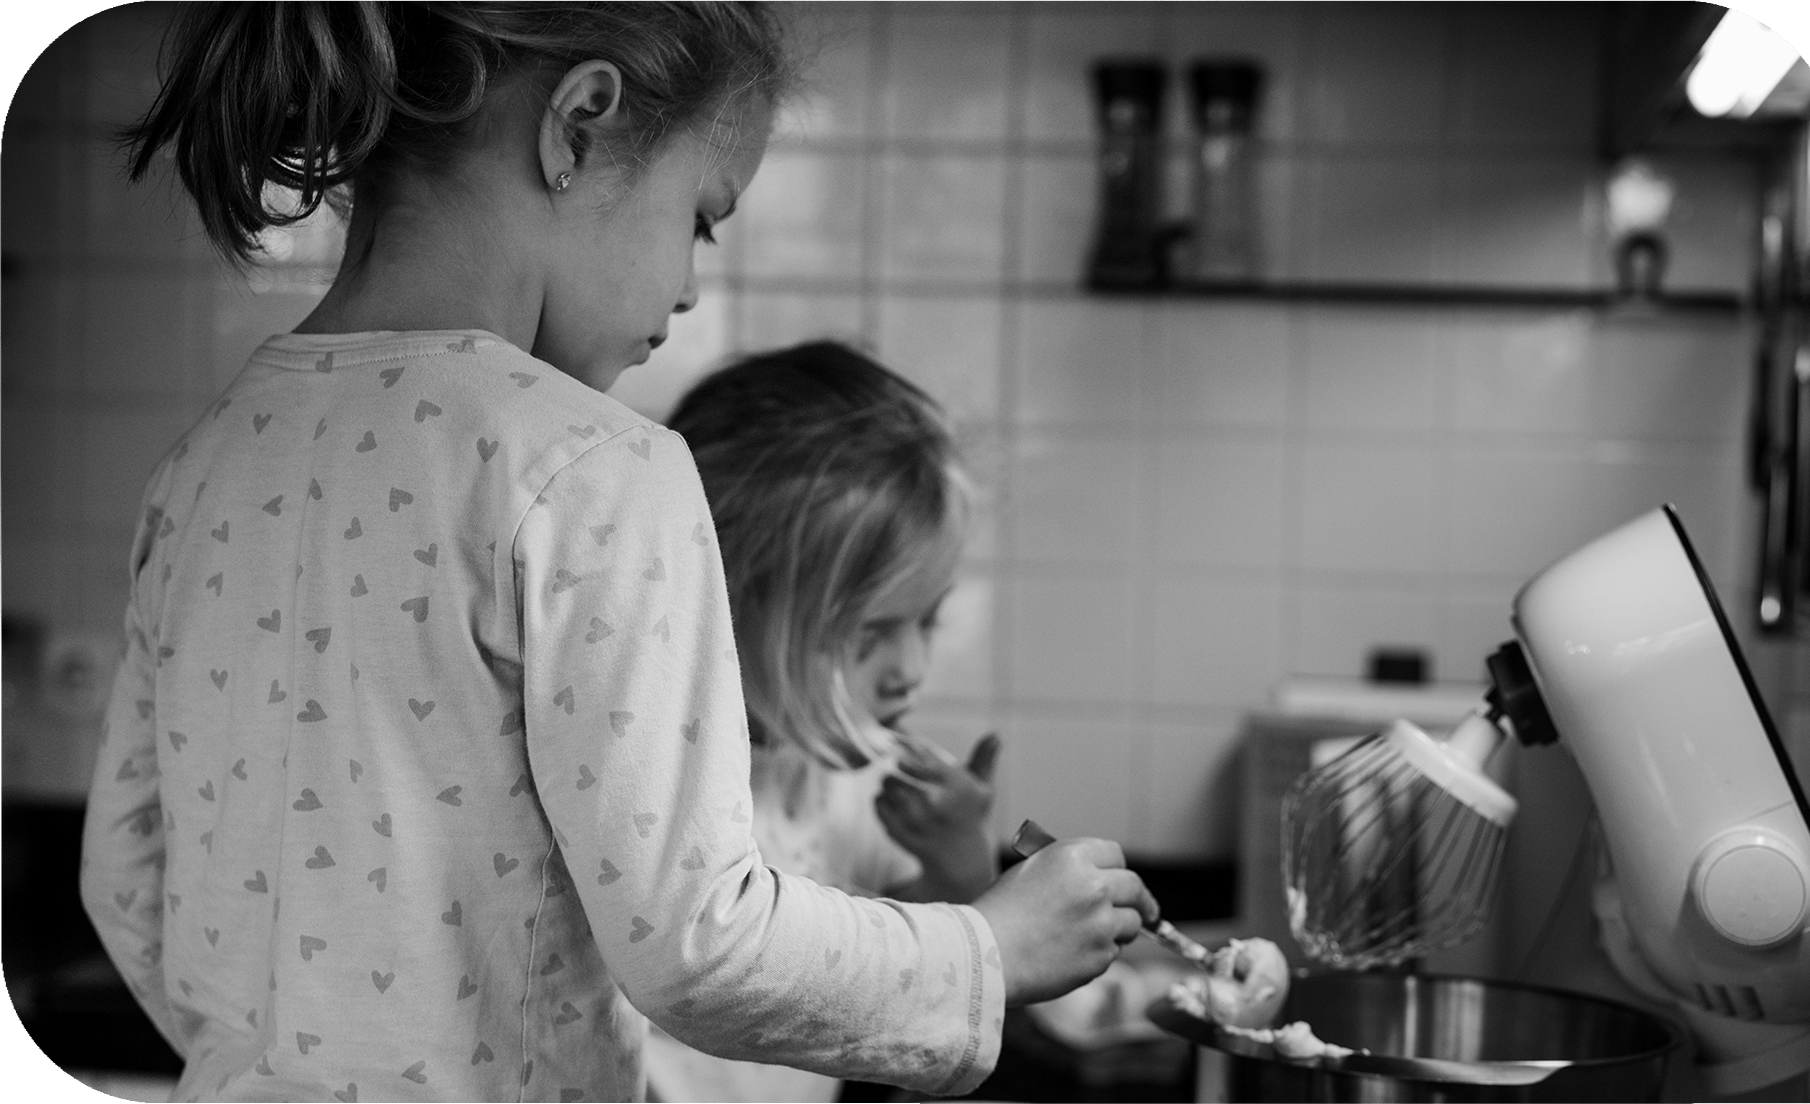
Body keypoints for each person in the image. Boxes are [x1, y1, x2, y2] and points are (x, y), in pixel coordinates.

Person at [75, 3, 1159, 1102]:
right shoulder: (594, 469)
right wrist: (989, 949)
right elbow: (697, 947)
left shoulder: (205, 461)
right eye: (702, 215)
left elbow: (124, 880)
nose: (691, 284)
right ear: (579, 125)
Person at [644, 341, 1004, 1102]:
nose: (911, 668)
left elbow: (914, 1001)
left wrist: (960, 864)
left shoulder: (860, 778)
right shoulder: (641, 779)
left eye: (927, 622)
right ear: (735, 594)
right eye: (870, 634)